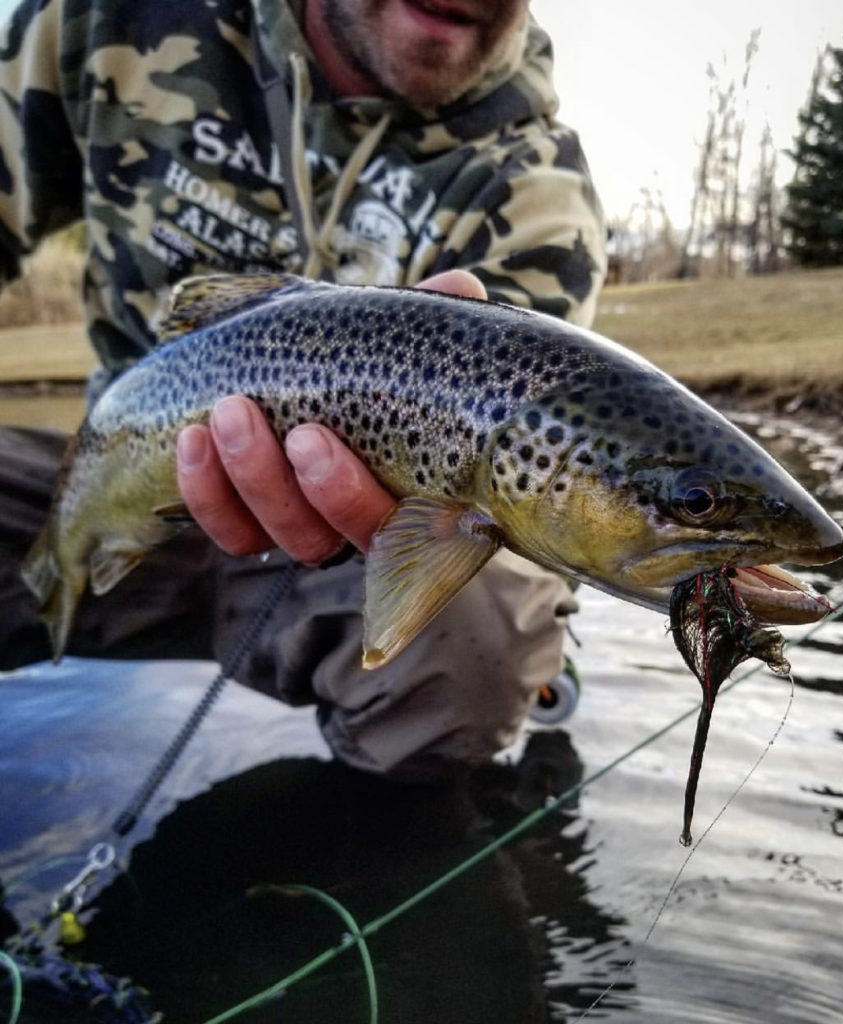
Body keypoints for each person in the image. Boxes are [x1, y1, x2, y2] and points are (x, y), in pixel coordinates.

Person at [0, 0, 607, 774]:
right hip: (113, 463)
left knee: (481, 634)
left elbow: (531, 489)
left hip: (343, 559)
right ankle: (63, 572)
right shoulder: (109, 16)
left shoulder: (537, 190)